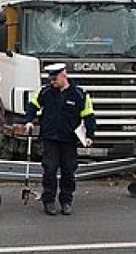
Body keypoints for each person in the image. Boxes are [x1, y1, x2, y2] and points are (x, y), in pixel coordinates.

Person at [24, 63, 96, 215]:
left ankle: (66, 201)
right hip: (50, 138)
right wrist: (29, 120)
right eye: (51, 79)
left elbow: (88, 115)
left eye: (55, 79)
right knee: (49, 169)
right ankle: (49, 201)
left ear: (64, 75)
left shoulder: (79, 95)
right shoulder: (46, 92)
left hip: (69, 140)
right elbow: (32, 105)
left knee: (68, 171)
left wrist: (89, 135)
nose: (52, 82)